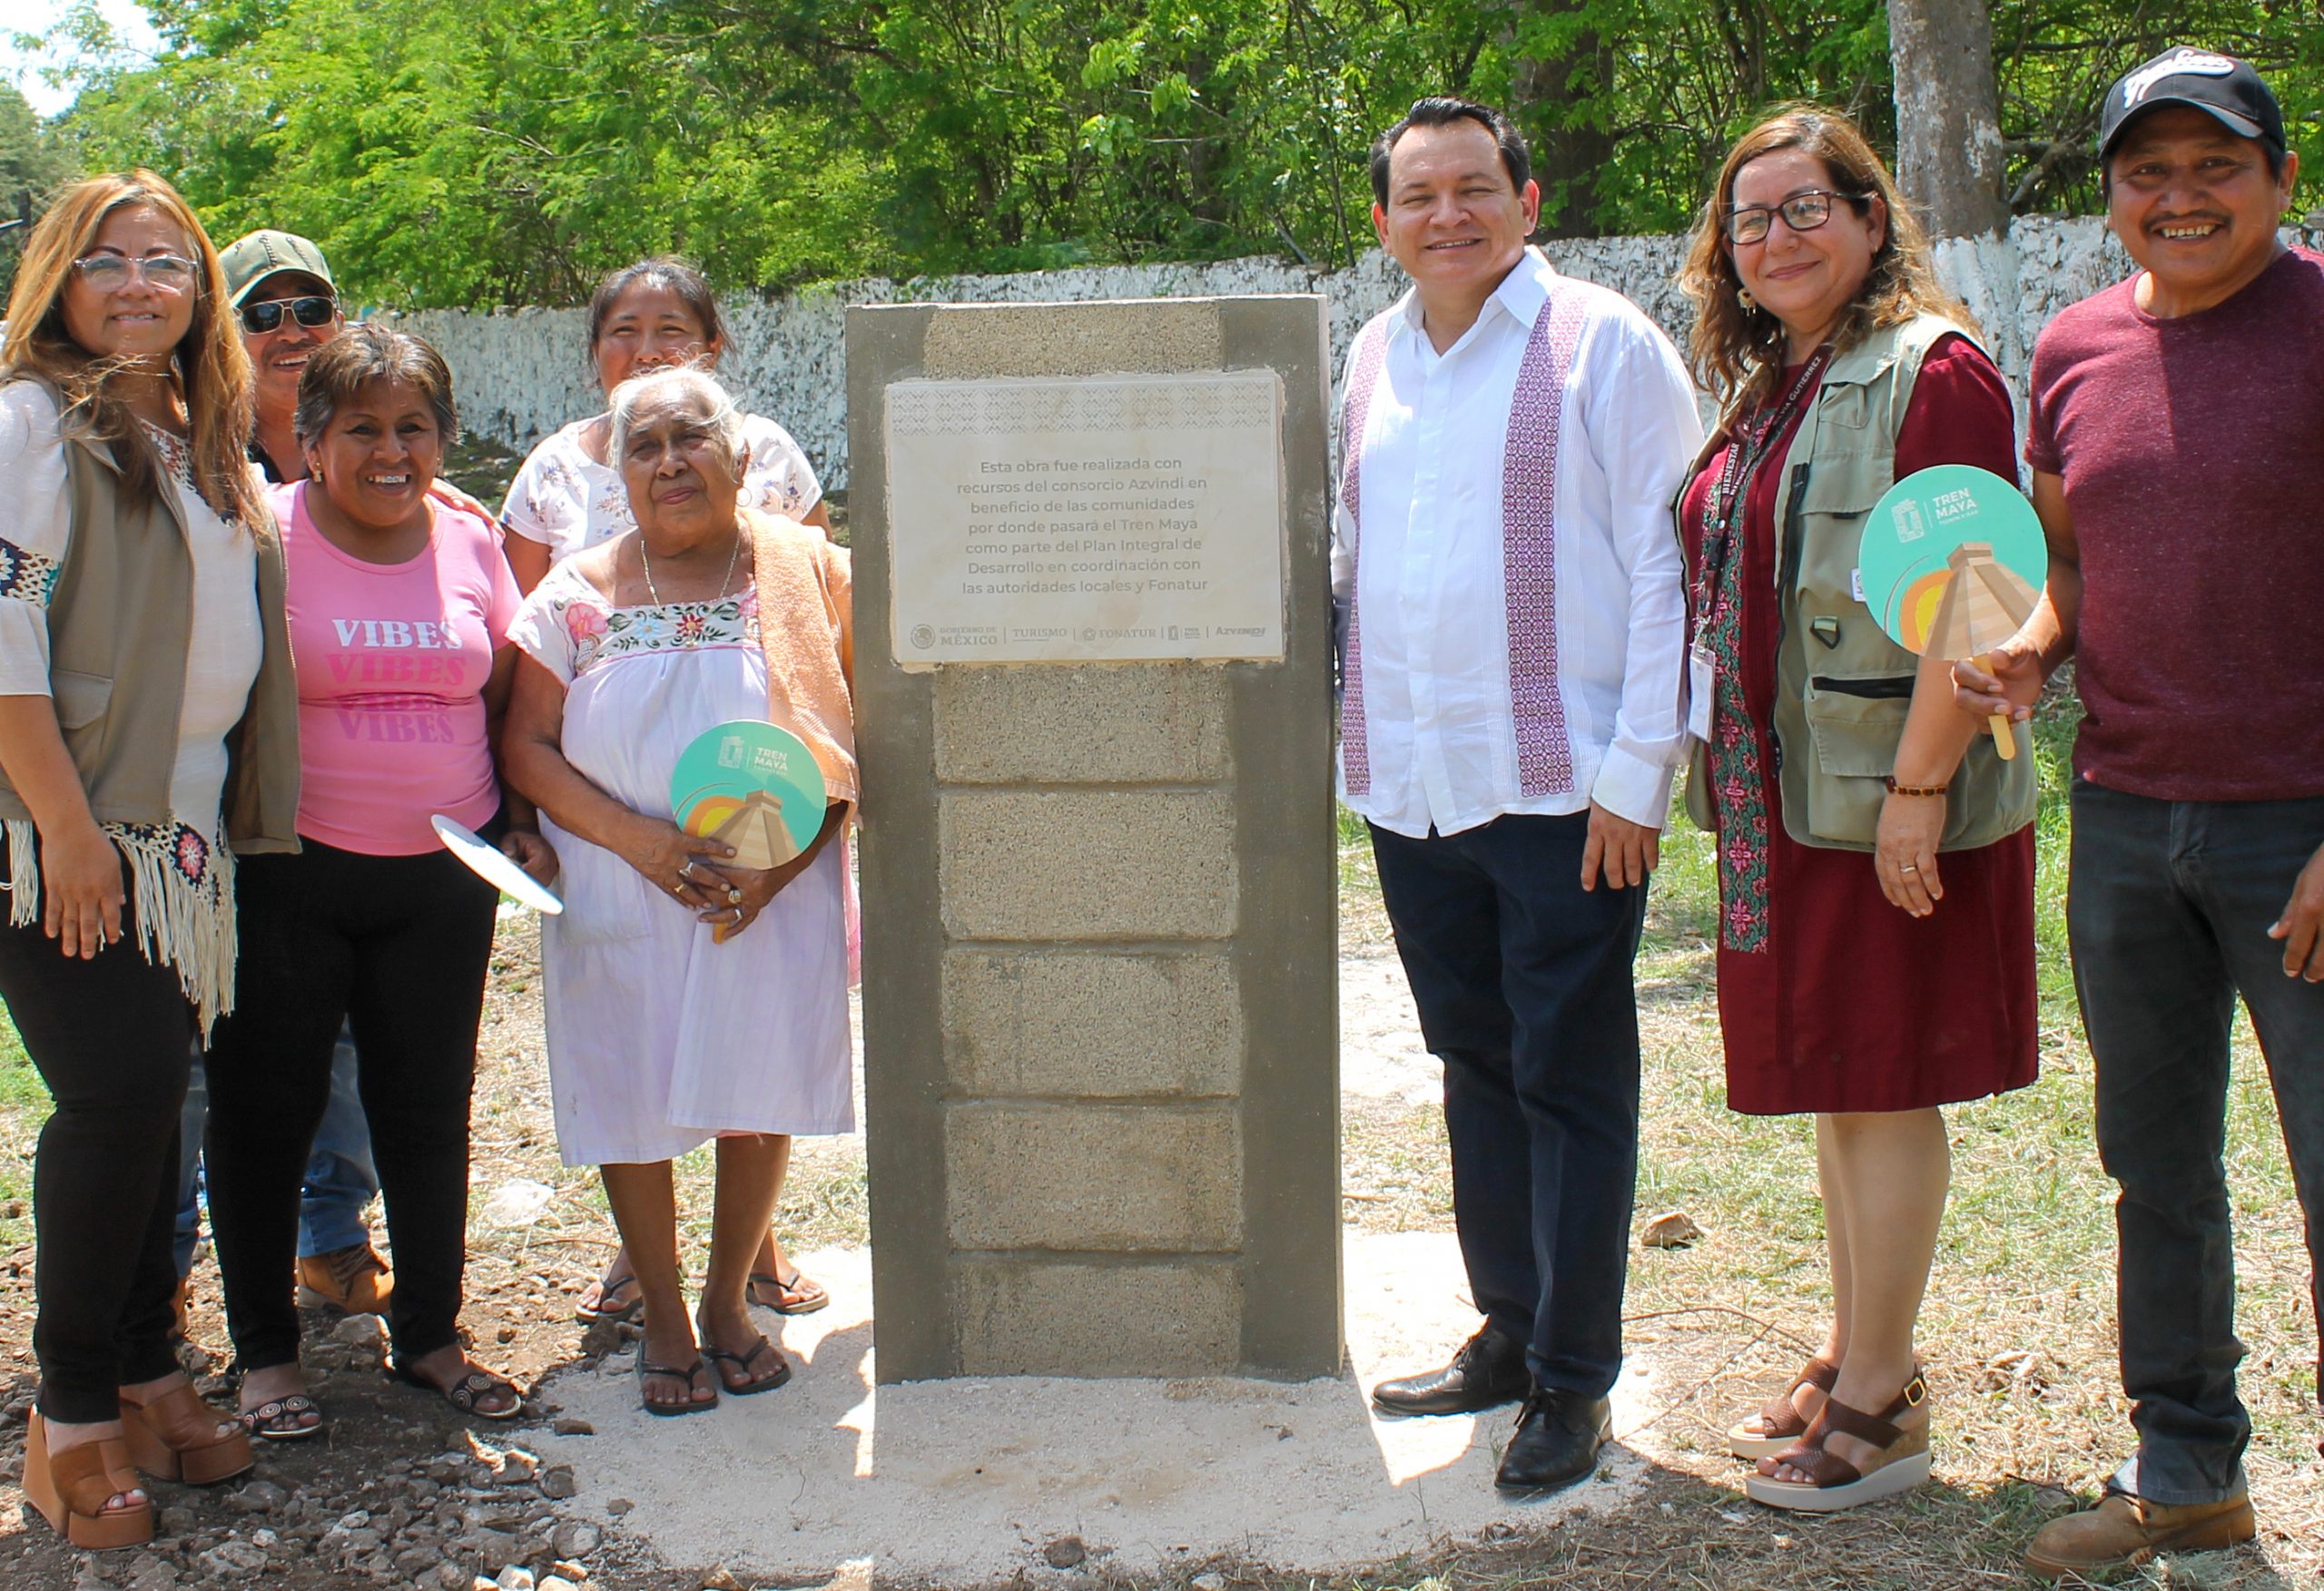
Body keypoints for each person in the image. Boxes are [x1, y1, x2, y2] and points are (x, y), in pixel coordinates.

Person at [1953, 48, 2323, 1576]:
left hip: (2298, 827)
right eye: (2145, 172)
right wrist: (2037, 644)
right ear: (2110, 193)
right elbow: (2077, 554)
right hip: (2125, 819)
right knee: (2154, 1163)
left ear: (2281, 179)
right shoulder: (2078, 348)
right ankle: (2189, 1472)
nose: (2179, 197)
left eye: (2215, 165)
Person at [1672, 106, 2039, 1512]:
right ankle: (1857, 1346)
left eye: (1806, 208)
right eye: (1750, 218)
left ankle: (1883, 1409)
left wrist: (1919, 791)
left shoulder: (1932, 374)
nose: (1776, 237)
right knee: (1840, 1072)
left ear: (1871, 218)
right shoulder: (1781, 378)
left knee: (1882, 1077)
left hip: (1885, 794)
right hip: (1785, 795)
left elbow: (1977, 598)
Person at [1344, 97, 1702, 1494]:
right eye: (1419, 195)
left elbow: (1667, 558)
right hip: (1413, 786)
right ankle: (1508, 1324)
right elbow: (1354, 549)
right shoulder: (1375, 355)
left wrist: (1641, 772)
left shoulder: (1603, 343)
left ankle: (1574, 1376)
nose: (1449, 215)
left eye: (1474, 188)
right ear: (1383, 223)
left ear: (1526, 200)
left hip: (1566, 791)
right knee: (1474, 1064)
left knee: (1571, 1077)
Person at [0, 170, 290, 1547]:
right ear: (60, 275)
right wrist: (62, 827)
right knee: (115, 1105)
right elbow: (1, 641)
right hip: (57, 832)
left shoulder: (200, 434)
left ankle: (145, 1366)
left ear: (197, 292)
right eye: (106, 259)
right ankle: (68, 1420)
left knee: (148, 1106)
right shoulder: (31, 424)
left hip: (175, 843)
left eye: (166, 262)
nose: (136, 284)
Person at [200, 325, 550, 1435]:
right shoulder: (260, 534)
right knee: (267, 1109)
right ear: (308, 440)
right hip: (290, 869)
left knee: (425, 1107)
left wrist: (524, 821)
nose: (390, 451)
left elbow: (500, 692)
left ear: (444, 440)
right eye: (361, 428)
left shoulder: (469, 540)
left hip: (445, 877)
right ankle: (264, 1357)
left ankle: (432, 1336)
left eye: (413, 428)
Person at [501, 366, 854, 1415]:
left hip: (764, 890)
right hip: (620, 885)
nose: (669, 461)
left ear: (741, 458)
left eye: (691, 438)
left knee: (757, 1091)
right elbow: (524, 743)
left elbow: (850, 741)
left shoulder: (807, 576)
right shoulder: (577, 595)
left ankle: (726, 1302)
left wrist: (776, 869)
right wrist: (640, 844)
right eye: (644, 445)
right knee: (631, 1095)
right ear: (619, 470)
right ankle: (660, 1310)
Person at [170, 230, 389, 1338]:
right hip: (203, 796)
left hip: (333, 809)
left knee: (342, 1033)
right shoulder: (186, 453)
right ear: (225, 328)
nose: (292, 332)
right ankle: (158, 1267)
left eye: (313, 308)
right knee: (186, 1044)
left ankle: (328, 1236)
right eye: (265, 313)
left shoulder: (376, 449)